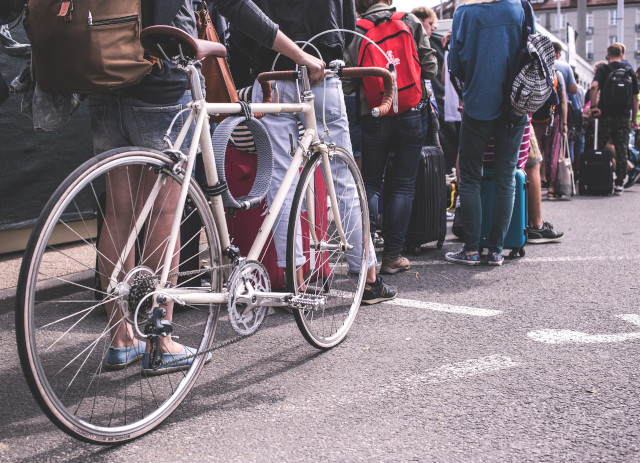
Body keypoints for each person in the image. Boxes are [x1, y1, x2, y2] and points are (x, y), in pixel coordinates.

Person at [98, 0, 334, 373]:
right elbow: (236, 6)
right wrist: (298, 54)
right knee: (165, 210)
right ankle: (162, 341)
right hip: (161, 76)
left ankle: (121, 339)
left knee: (120, 211)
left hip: (107, 73)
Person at [230, 0, 397, 304]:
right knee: (345, 181)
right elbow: (346, 25)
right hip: (321, 72)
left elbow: (239, 33)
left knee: (282, 182)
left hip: (271, 76)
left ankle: (293, 281)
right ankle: (368, 278)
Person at [344, 0, 438, 275]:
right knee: (403, 184)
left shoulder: (356, 30)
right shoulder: (408, 20)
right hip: (411, 110)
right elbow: (430, 68)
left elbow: (348, 83)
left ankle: (367, 257)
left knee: (371, 184)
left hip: (373, 112)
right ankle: (392, 257)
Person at [444, 0, 531, 266]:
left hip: (478, 102)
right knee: (506, 177)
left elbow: (455, 65)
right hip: (514, 105)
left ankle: (470, 249)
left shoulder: (465, 13)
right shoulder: (520, 8)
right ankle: (496, 250)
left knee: (470, 177)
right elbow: (532, 52)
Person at [589, 43, 639, 194]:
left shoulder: (604, 69)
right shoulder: (629, 71)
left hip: (605, 114)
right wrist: (633, 120)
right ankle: (619, 183)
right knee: (621, 148)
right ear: (622, 55)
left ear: (607, 54)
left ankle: (600, 177)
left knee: (601, 146)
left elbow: (593, 86)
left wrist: (593, 107)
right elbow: (635, 98)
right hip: (623, 116)